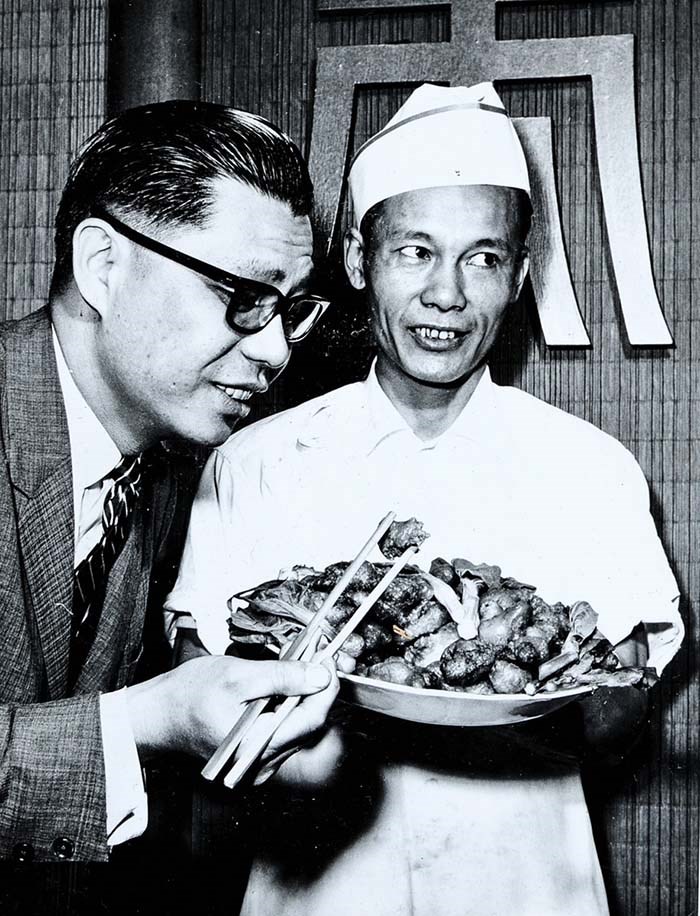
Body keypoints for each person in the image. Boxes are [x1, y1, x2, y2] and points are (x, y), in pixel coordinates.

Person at [165, 84, 683, 915]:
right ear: (361, 261)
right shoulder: (253, 460)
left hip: (529, 885)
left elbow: (623, 708)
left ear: (519, 275)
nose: (448, 293)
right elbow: (202, 673)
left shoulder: (591, 467)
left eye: (482, 258)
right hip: (315, 889)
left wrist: (586, 703)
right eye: (415, 251)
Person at [0, 99, 340, 863]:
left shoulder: (164, 462)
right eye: (244, 297)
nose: (276, 350)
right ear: (104, 266)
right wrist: (145, 722)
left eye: (292, 309)